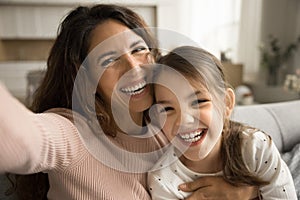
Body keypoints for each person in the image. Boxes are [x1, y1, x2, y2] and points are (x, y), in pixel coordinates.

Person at [0, 4, 257, 200]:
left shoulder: (169, 119)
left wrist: (246, 190)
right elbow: (24, 140)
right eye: (109, 60)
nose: (134, 68)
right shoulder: (73, 133)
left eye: (138, 50)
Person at [147, 46, 297, 199]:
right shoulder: (162, 181)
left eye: (199, 101)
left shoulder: (256, 148)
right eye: (167, 109)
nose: (184, 120)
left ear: (227, 103)